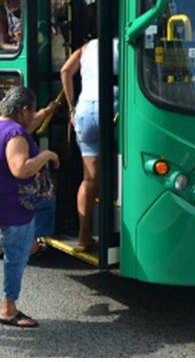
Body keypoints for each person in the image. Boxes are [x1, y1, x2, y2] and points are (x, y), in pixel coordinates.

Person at [0, 86, 60, 328]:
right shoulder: (15, 134)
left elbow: (29, 125)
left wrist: (47, 111)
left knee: (18, 250)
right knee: (16, 257)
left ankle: (33, 245)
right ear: (23, 109)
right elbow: (20, 168)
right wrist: (47, 155)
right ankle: (8, 309)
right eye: (32, 110)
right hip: (14, 206)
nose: (33, 114)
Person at [61, 37, 118, 252]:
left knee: (89, 179)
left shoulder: (85, 47)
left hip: (84, 111)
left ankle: (84, 236)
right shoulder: (126, 43)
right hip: (112, 107)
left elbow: (65, 71)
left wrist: (71, 107)